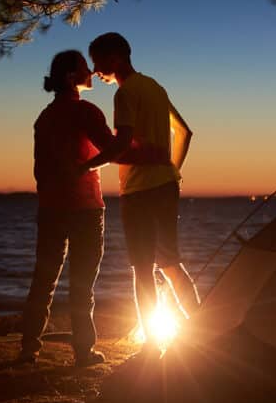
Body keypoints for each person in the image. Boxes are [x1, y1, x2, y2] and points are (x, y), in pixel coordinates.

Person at [83, 31, 200, 353]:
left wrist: (90, 166)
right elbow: (185, 132)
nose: (96, 71)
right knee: (171, 262)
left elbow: (122, 140)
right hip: (166, 184)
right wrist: (172, 168)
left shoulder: (125, 93)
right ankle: (205, 330)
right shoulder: (155, 87)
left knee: (143, 268)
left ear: (115, 58)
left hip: (138, 189)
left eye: (98, 62)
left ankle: (152, 346)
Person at [16, 50, 114, 368]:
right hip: (85, 207)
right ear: (72, 77)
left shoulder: (44, 118)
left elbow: (39, 169)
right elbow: (112, 148)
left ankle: (29, 348)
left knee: (43, 279)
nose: (91, 72)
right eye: (85, 68)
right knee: (82, 283)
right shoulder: (85, 112)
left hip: (51, 207)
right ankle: (84, 351)